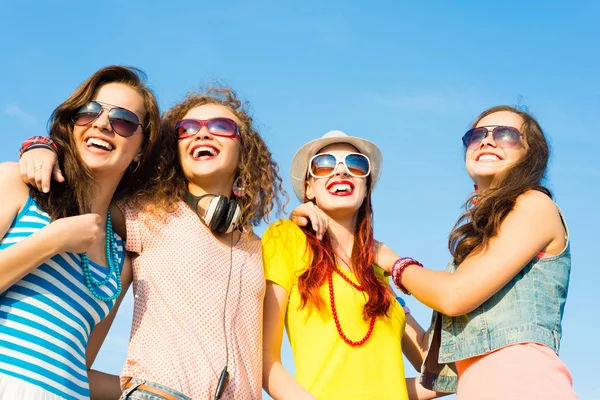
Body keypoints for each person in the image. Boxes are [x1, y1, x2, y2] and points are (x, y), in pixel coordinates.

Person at [18, 87, 328, 399]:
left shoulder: (256, 247)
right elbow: (86, 187)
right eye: (188, 129)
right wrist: (42, 146)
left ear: (244, 149)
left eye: (221, 127)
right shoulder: (144, 213)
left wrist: (313, 210)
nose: (203, 134)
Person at [376, 106, 577, 399]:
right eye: (476, 135)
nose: (487, 141)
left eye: (505, 134)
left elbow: (453, 296)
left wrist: (389, 259)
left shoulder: (535, 205)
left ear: (530, 154)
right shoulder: (480, 249)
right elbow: (439, 368)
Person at [0, 65, 161, 399]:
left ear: (141, 150)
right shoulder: (16, 183)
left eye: (123, 120)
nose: (101, 124)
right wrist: (52, 240)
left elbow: (80, 365)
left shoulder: (121, 259)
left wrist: (147, 391)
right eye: (89, 112)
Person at [262, 130, 445, 400]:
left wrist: (394, 262)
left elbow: (438, 375)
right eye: (324, 164)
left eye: (355, 164)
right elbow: (265, 359)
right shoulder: (286, 238)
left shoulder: (379, 272)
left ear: (367, 186)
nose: (341, 172)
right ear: (308, 189)